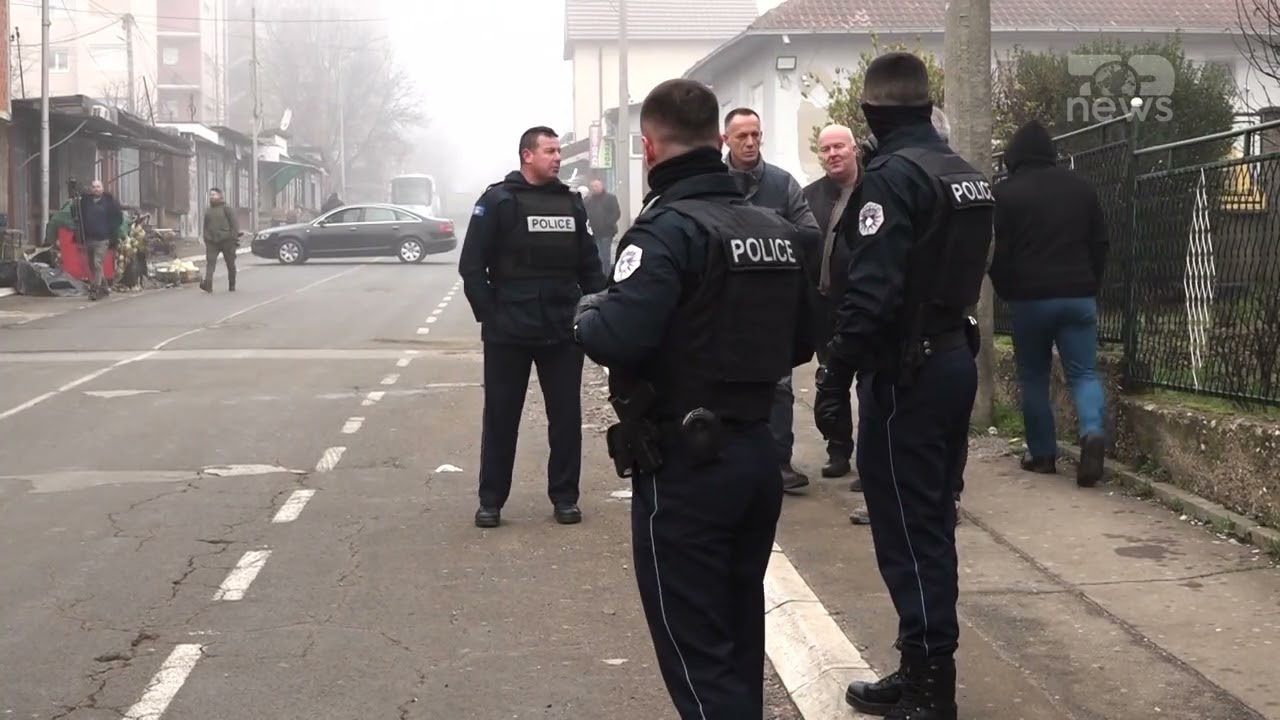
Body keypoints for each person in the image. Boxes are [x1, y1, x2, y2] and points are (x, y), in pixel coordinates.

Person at [573, 78, 815, 719]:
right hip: (757, 454)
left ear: (650, 148)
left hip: (687, 466)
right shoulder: (775, 228)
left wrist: (587, 310)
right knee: (738, 634)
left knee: (698, 656)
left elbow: (617, 337)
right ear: (717, 140)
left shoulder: (665, 232)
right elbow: (802, 340)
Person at [813, 52, 993, 719]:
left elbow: (873, 292)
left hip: (906, 373)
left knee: (907, 530)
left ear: (871, 113)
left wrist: (834, 373)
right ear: (926, 104)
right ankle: (920, 663)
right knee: (933, 520)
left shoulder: (891, 179)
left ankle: (928, 686)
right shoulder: (965, 174)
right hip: (951, 359)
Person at [458, 126, 607, 529]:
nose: (558, 158)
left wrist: (595, 313)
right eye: (550, 151)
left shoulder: (571, 204)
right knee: (501, 417)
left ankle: (565, 497)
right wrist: (490, 315)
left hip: (560, 328)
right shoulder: (498, 201)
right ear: (527, 155)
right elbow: (472, 266)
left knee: (566, 418)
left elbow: (590, 266)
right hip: (508, 330)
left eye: (559, 151)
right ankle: (491, 501)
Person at [990, 119, 1109, 487]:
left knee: (1033, 377)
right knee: (1084, 373)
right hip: (1078, 296)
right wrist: (1090, 283)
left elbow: (998, 253)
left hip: (1030, 300)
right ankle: (1092, 431)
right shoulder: (1082, 188)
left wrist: (1006, 289)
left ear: (1014, 156)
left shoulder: (1005, 194)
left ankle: (1042, 455)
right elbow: (1100, 243)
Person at [723, 106, 822, 493]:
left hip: (774, 305)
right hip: (727, 304)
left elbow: (810, 233)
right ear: (726, 140)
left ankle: (779, 462)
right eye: (742, 136)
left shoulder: (782, 184)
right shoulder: (713, 183)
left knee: (779, 386)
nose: (750, 143)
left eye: (755, 135)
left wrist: (764, 228)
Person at [803, 124, 860, 484]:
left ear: (855, 149)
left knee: (869, 384)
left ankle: (871, 458)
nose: (833, 154)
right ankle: (838, 449)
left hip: (863, 305)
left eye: (839, 146)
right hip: (824, 306)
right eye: (826, 149)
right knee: (831, 380)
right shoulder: (809, 197)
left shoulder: (874, 191)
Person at [77, 180, 124, 301]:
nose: (96, 189)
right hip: (89, 238)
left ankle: (95, 289)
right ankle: (105, 288)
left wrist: (111, 230)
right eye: (94, 187)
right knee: (92, 266)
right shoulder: (86, 202)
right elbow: (77, 213)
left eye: (98, 187)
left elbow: (118, 218)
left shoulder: (109, 202)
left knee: (97, 263)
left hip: (103, 239)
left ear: (102, 188)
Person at [201, 188, 240, 293]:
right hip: (212, 242)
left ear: (220, 196)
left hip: (227, 241)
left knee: (230, 264)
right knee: (210, 263)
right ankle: (208, 285)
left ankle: (232, 285)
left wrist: (233, 239)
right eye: (210, 195)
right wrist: (206, 238)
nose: (212, 196)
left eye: (214, 194)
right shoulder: (208, 210)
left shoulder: (227, 208)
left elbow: (234, 225)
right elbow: (205, 226)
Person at [584, 177, 622, 268]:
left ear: (601, 186)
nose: (594, 188)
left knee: (605, 256)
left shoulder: (610, 198)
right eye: (593, 186)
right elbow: (585, 212)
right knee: (598, 255)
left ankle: (606, 273)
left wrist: (608, 222)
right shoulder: (589, 200)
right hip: (595, 231)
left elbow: (616, 212)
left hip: (607, 231)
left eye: (596, 186)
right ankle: (600, 272)